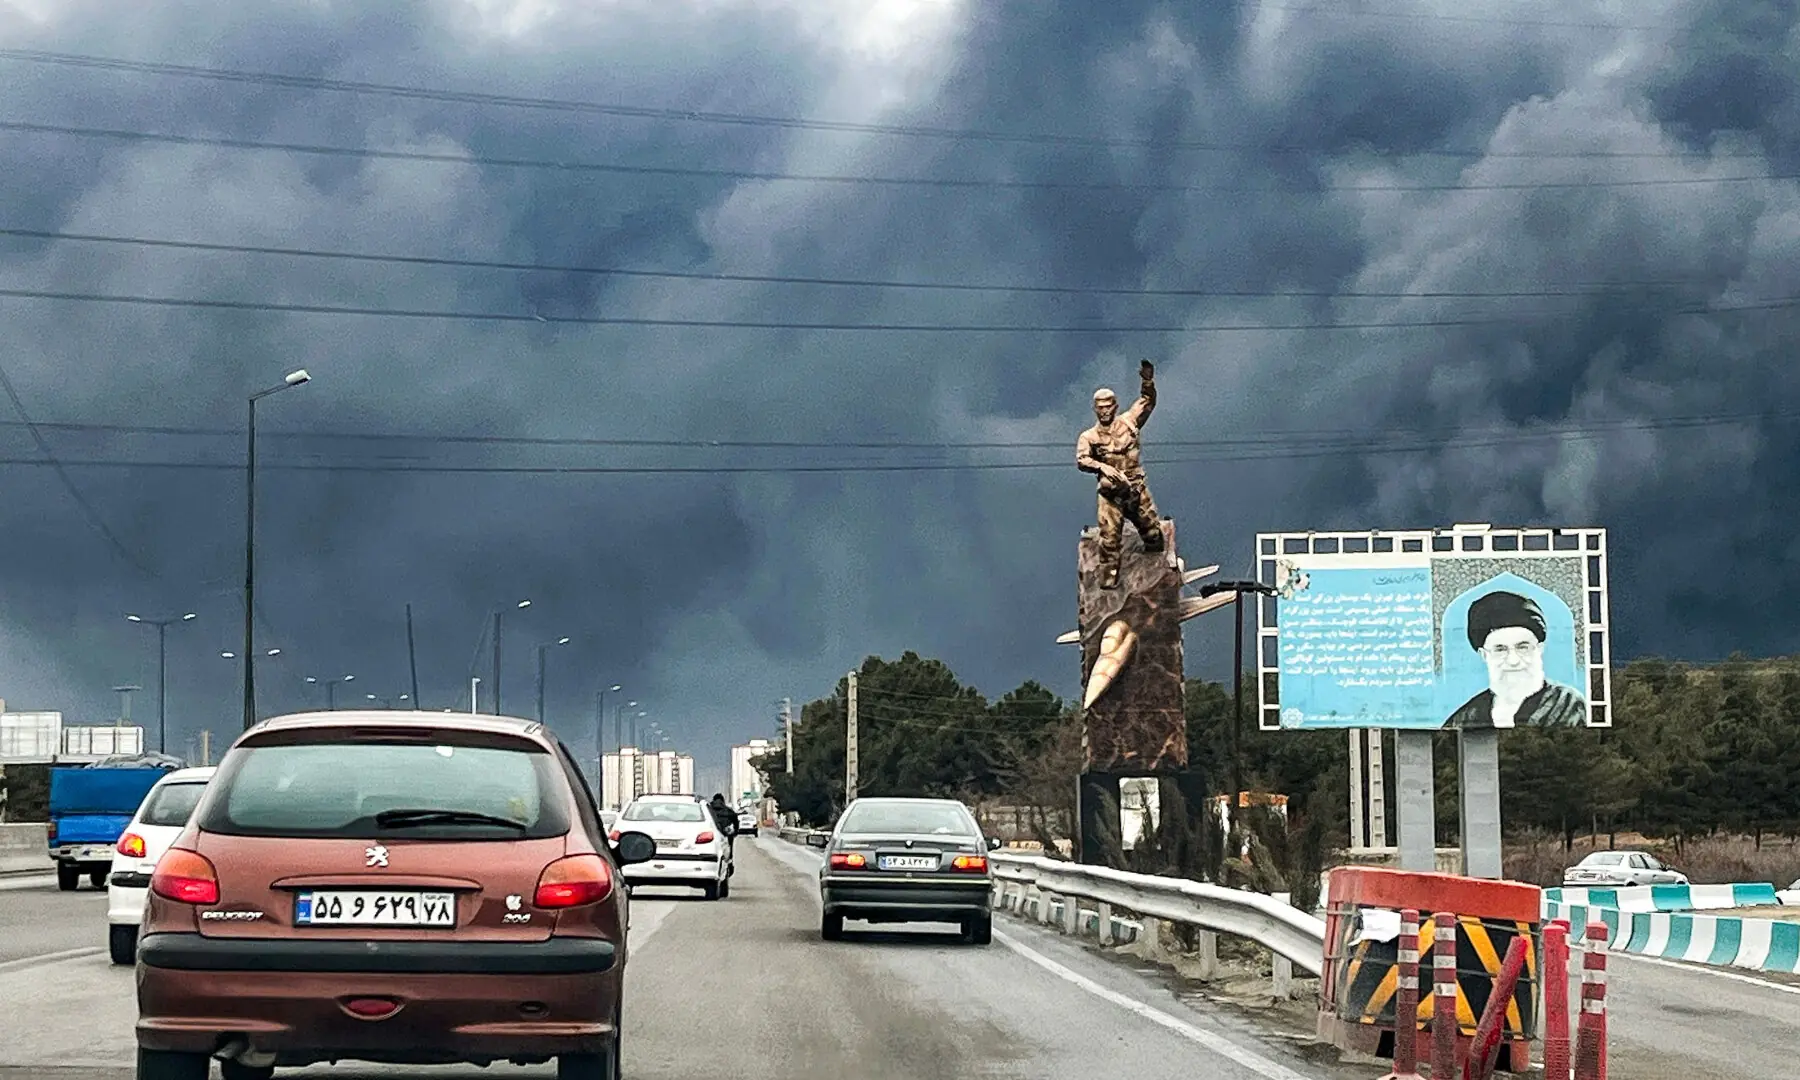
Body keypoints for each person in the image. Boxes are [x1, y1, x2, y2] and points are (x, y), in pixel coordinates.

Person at [1076, 360, 1164, 589]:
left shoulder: (1129, 422)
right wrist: (1102, 467)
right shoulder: (1089, 437)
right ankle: (1108, 586)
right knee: (1109, 540)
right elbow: (1082, 459)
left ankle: (1157, 575)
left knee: (1153, 534)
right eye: (1100, 407)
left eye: (1108, 406)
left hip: (1136, 489)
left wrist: (1147, 381)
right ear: (1095, 409)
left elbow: (1147, 402)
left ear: (1115, 406)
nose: (1104, 411)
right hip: (1111, 495)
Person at [1444, 590, 1587, 729]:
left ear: (1539, 649)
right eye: (1500, 650)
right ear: (1484, 655)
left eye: (1523, 648)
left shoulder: (1568, 704)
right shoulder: (1464, 718)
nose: (1513, 661)